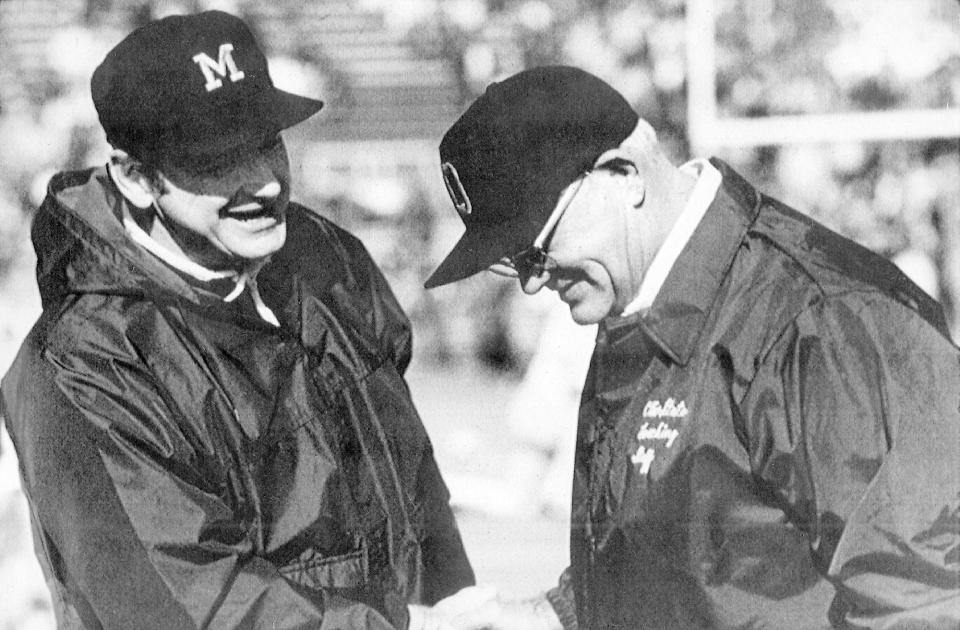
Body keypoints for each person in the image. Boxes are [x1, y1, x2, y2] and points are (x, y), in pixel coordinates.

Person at [424, 66, 960, 629]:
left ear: (623, 173)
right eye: (514, 263)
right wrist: (546, 615)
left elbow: (930, 601)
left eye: (537, 246)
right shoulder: (638, 305)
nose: (533, 281)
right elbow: (689, 561)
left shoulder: (823, 322)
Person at [0, 11, 479, 629]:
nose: (262, 182)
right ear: (136, 179)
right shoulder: (82, 361)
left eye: (265, 142)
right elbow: (187, 607)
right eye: (215, 159)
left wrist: (457, 609)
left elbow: (418, 494)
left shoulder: (327, 261)